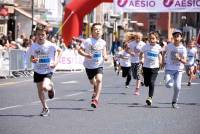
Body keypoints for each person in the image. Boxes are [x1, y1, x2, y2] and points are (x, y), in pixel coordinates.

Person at [28, 25, 62, 116]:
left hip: (48, 70)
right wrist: (33, 60)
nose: (40, 36)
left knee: (45, 87)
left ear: (46, 35)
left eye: (42, 34)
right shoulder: (33, 46)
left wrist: (55, 62)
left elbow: (60, 51)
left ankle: (50, 88)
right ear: (36, 35)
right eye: (38, 34)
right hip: (38, 70)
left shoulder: (50, 45)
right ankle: (45, 108)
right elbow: (31, 58)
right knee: (40, 90)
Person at [77, 23, 108, 108]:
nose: (98, 31)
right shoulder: (88, 41)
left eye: (99, 29)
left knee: (99, 79)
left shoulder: (103, 42)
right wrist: (86, 55)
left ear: (102, 32)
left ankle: (96, 99)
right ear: (92, 31)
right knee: (92, 82)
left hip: (99, 64)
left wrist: (105, 56)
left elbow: (104, 52)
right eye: (95, 29)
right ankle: (95, 87)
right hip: (89, 65)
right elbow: (79, 51)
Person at [163, 29, 187, 109]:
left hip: (178, 70)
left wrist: (179, 58)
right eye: (175, 36)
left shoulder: (183, 49)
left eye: (178, 36)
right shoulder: (169, 46)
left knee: (178, 87)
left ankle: (174, 102)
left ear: (181, 38)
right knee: (169, 85)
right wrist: (163, 61)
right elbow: (163, 52)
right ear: (173, 37)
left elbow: (185, 61)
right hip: (169, 69)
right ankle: (168, 79)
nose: (176, 38)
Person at [140, 31, 162, 106]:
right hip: (146, 67)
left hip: (155, 67)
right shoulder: (145, 46)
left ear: (156, 39)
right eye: (150, 38)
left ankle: (150, 98)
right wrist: (141, 59)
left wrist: (161, 62)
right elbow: (141, 53)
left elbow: (160, 55)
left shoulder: (158, 47)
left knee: (152, 82)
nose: (151, 40)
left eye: (153, 38)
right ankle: (145, 81)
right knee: (146, 83)